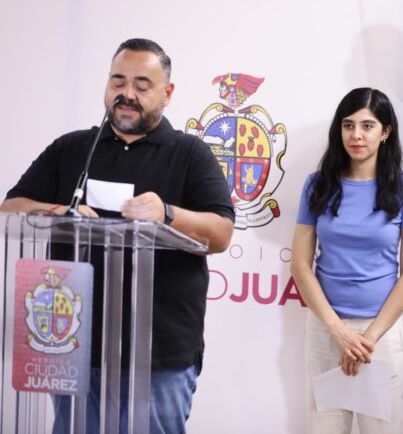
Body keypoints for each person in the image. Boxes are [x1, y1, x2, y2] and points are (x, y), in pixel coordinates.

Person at [0, 38, 235, 433]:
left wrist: (168, 214)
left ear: (167, 93)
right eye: (118, 82)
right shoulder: (72, 148)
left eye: (142, 85)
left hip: (158, 354)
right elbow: (11, 207)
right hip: (71, 342)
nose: (127, 94)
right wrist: (60, 212)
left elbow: (222, 233)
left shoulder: (190, 154)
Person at [291, 88, 403, 433]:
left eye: (368, 126)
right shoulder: (318, 185)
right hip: (326, 330)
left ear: (386, 132)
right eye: (348, 125)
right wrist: (339, 331)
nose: (356, 135)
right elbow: (301, 265)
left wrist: (367, 338)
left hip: (379, 335)